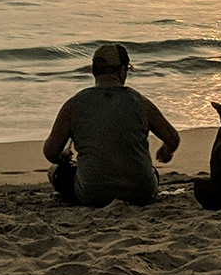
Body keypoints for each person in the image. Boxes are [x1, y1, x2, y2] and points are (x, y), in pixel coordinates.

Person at [43, 43, 180, 206]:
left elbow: (50, 152)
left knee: (54, 171)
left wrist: (62, 157)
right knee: (151, 172)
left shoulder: (74, 105)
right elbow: (172, 137)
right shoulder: (140, 102)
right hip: (142, 193)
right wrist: (167, 150)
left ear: (93, 71)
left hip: (93, 195)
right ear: (122, 71)